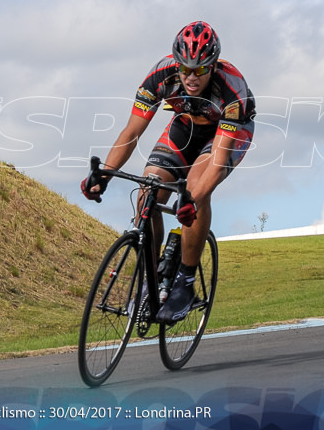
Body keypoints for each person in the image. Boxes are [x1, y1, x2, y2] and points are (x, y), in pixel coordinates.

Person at [81, 21, 256, 323]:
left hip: (227, 135)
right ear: (176, 62)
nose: (190, 76)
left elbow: (217, 159)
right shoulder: (161, 75)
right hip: (187, 124)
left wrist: (192, 199)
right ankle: (150, 281)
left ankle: (185, 285)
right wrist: (105, 174)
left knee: (196, 191)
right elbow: (131, 132)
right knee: (149, 190)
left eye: (200, 70)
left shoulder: (231, 87)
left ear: (213, 66)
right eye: (185, 68)